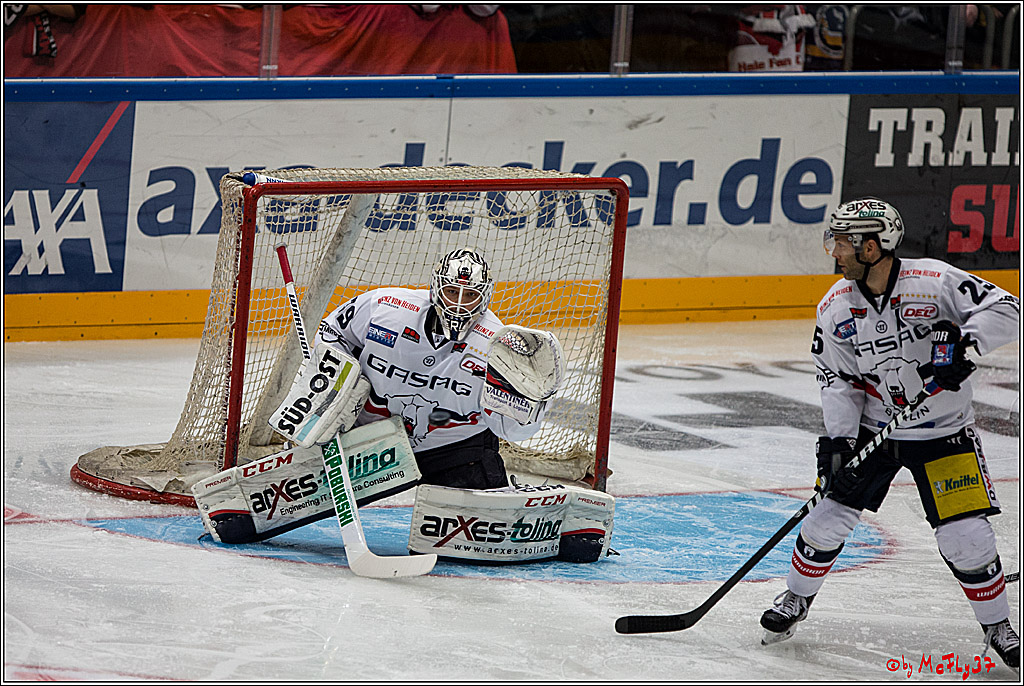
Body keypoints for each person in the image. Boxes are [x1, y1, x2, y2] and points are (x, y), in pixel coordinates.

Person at [759, 197, 1020, 671]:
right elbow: (838, 378)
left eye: (843, 243)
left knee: (966, 539)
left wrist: (966, 343)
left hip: (944, 433)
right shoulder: (837, 306)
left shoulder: (935, 282)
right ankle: (796, 599)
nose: (834, 253)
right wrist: (840, 442)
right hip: (873, 431)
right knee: (826, 517)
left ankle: (999, 625)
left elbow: (1008, 307)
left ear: (873, 247)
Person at [312, 247, 557, 490]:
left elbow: (510, 430)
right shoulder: (385, 308)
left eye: (470, 295)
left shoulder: (497, 347)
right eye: (452, 291)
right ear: (436, 289)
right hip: (366, 442)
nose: (459, 305)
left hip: (454, 452)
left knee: (493, 520)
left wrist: (531, 406)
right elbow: (332, 332)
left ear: (485, 297)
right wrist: (333, 390)